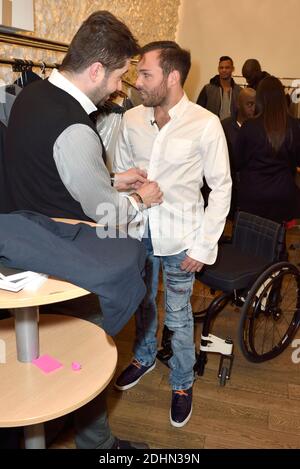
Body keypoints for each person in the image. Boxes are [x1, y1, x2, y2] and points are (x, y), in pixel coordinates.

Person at [4, 11, 163, 449]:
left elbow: (51, 172)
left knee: (44, 355)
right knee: (87, 359)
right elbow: (107, 215)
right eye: (118, 76)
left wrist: (111, 178)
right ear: (96, 70)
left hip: (23, 247)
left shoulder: (30, 98)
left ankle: (50, 422)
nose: (119, 87)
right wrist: (138, 199)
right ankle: (98, 445)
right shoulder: (75, 127)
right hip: (63, 266)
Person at [114, 41, 232, 428]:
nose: (137, 81)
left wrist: (204, 244)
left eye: (146, 73)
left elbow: (221, 188)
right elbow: (120, 173)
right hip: (139, 236)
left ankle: (182, 382)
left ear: (172, 76)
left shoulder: (205, 124)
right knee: (142, 305)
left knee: (179, 318)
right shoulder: (131, 120)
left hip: (183, 239)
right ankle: (144, 356)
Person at [236, 76, 300, 223]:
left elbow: (237, 162)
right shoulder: (295, 126)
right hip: (283, 195)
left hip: (253, 194)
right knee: (278, 241)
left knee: (253, 242)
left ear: (259, 99)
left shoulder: (249, 127)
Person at [222, 88, 256, 216]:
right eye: (249, 104)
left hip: (252, 191)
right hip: (229, 190)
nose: (253, 109)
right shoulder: (224, 127)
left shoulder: (259, 128)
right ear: (238, 104)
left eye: (255, 104)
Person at [196, 56, 241, 120]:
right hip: (212, 128)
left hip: (232, 129)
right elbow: (198, 111)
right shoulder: (208, 89)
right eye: (221, 67)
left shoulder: (239, 91)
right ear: (218, 69)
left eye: (227, 67)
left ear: (232, 69)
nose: (224, 70)